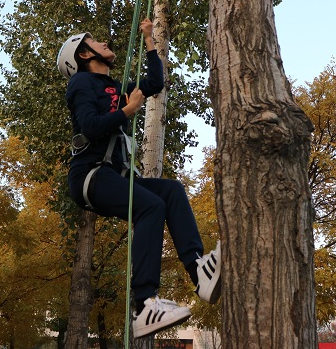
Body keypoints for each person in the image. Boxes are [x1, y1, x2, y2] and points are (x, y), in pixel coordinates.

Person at [57, 19, 221, 338]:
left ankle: (199, 272)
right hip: (90, 175)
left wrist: (150, 42)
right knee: (149, 207)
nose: (103, 42)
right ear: (84, 55)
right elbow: (89, 126)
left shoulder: (116, 87)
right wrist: (128, 111)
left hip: (112, 174)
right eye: (94, 41)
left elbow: (154, 83)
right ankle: (144, 305)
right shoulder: (81, 85)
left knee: (170, 192)